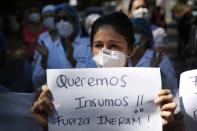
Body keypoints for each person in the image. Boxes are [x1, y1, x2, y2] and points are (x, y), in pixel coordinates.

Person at [31, 12, 180, 131]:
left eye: (114, 46)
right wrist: (48, 124)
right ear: (91, 50)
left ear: (131, 49)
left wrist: (167, 127)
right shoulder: (73, 93)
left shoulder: (152, 94)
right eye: (98, 45)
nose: (105, 52)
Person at [32, 3, 91, 89]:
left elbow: (95, 79)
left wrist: (73, 61)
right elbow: (37, 83)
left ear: (74, 20)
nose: (62, 22)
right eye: (58, 19)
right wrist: (44, 61)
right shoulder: (48, 48)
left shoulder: (87, 45)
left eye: (66, 18)